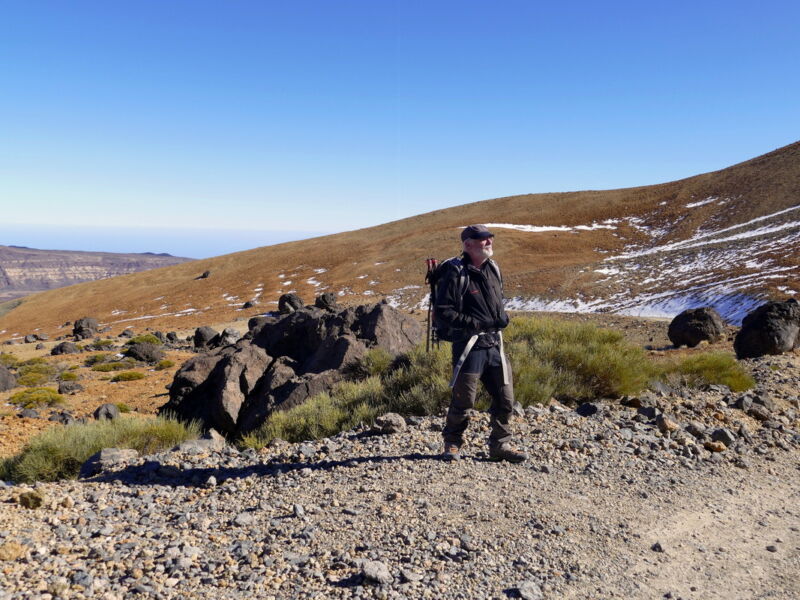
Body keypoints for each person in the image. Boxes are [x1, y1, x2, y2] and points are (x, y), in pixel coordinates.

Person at [435, 224, 527, 463]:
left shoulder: (493, 268)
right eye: (483, 239)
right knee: (464, 401)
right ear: (468, 244)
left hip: (495, 344)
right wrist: (475, 323)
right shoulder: (456, 273)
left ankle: (500, 446)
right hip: (470, 347)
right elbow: (444, 311)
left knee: (505, 400)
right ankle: (452, 443)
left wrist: (502, 318)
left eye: (490, 238)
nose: (489, 242)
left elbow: (498, 302)